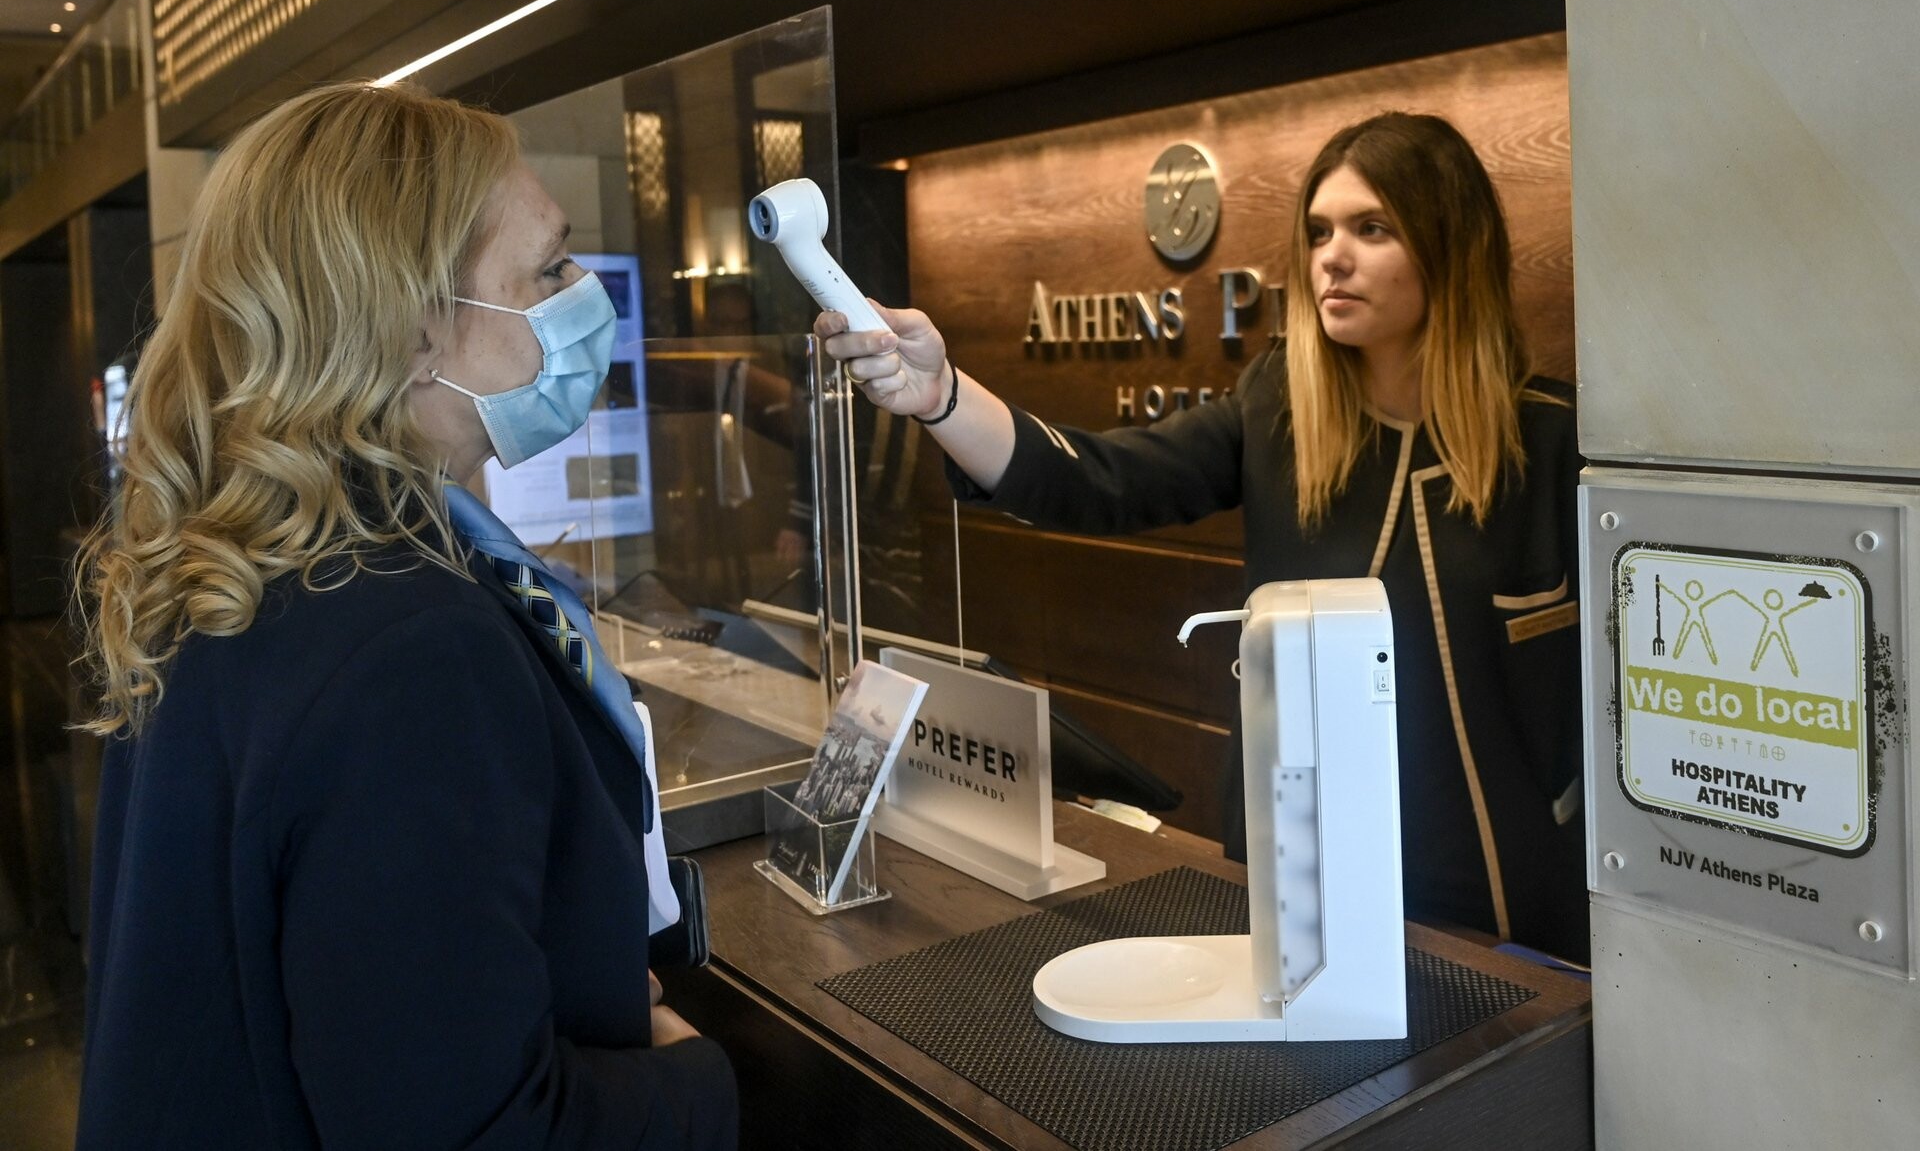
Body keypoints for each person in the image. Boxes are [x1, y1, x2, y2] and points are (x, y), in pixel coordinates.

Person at [72, 83, 738, 1147]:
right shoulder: (412, 650)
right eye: (549, 271)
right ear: (419, 329)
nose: (582, 300)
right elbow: (474, 1129)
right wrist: (693, 1081)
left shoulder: (244, 570)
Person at [817, 112, 1587, 961]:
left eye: (1373, 229)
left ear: (1452, 246)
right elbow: (1102, 479)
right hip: (1299, 881)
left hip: (1497, 903)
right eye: (1320, 231)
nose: (1332, 257)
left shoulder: (1557, 441)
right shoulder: (1277, 404)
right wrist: (942, 398)